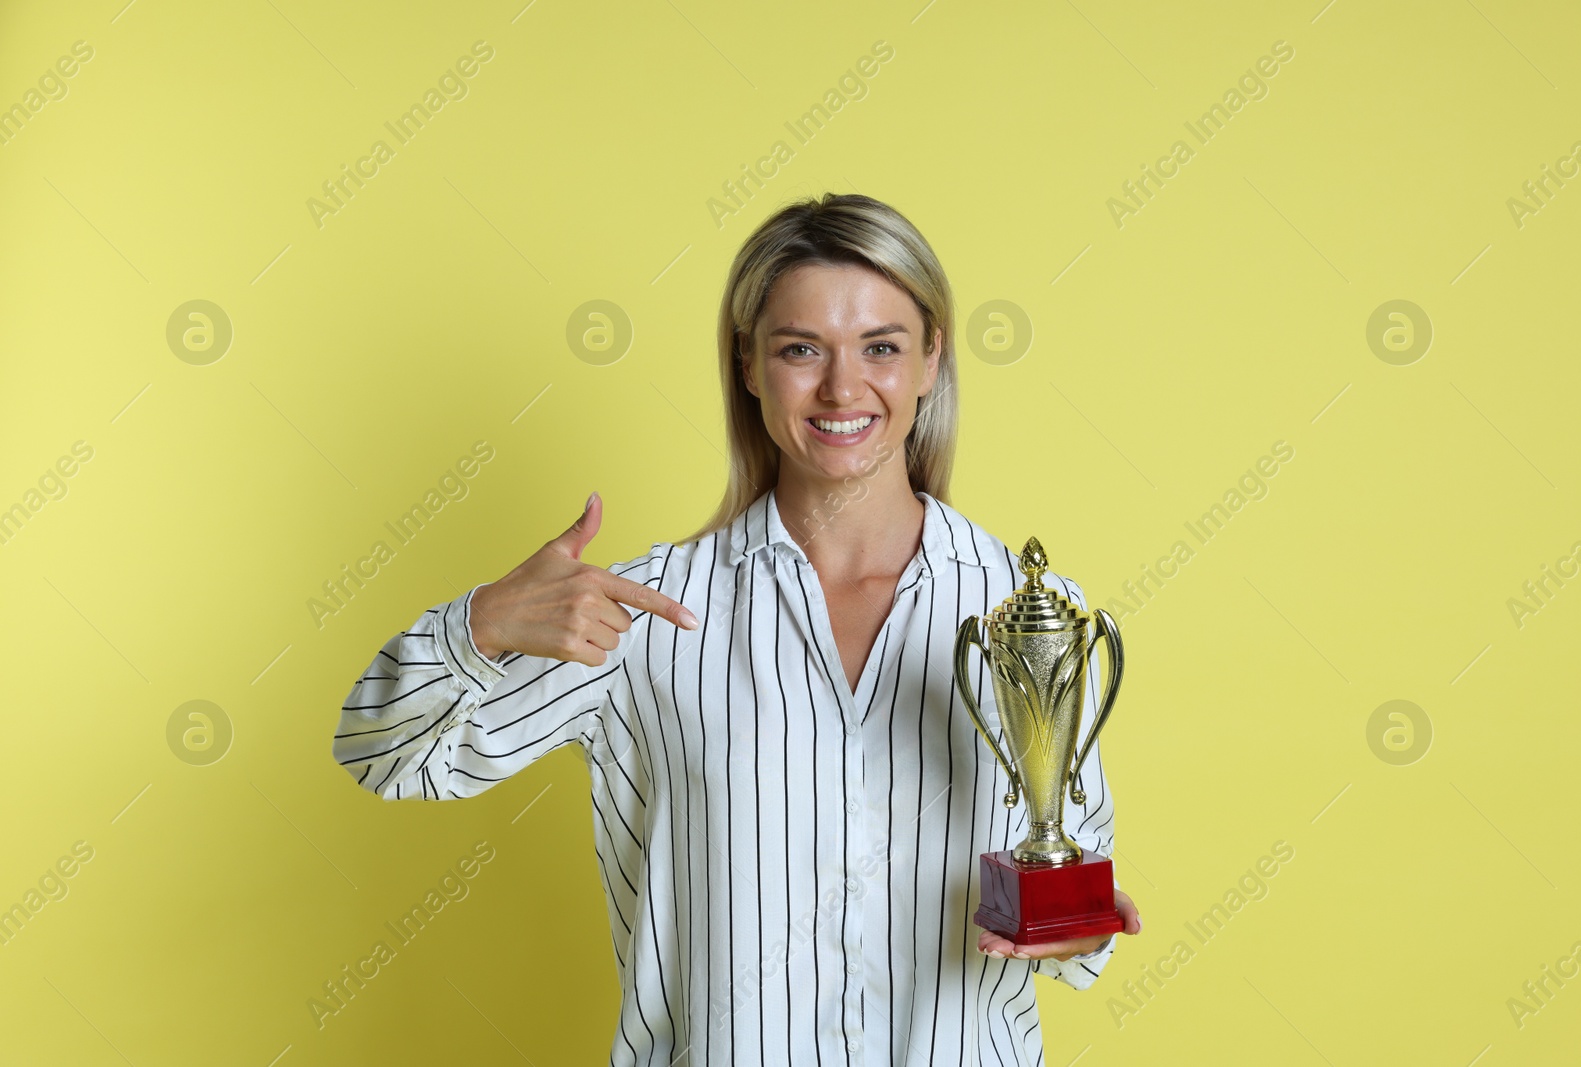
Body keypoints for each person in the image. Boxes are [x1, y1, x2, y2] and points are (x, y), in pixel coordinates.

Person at [331, 192, 1140, 1065]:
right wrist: (480, 624)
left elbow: (1074, 869)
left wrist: (1074, 929)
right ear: (749, 364)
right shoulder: (640, 614)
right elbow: (386, 755)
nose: (841, 387)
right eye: (801, 349)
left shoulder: (1034, 618)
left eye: (881, 346)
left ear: (930, 361)